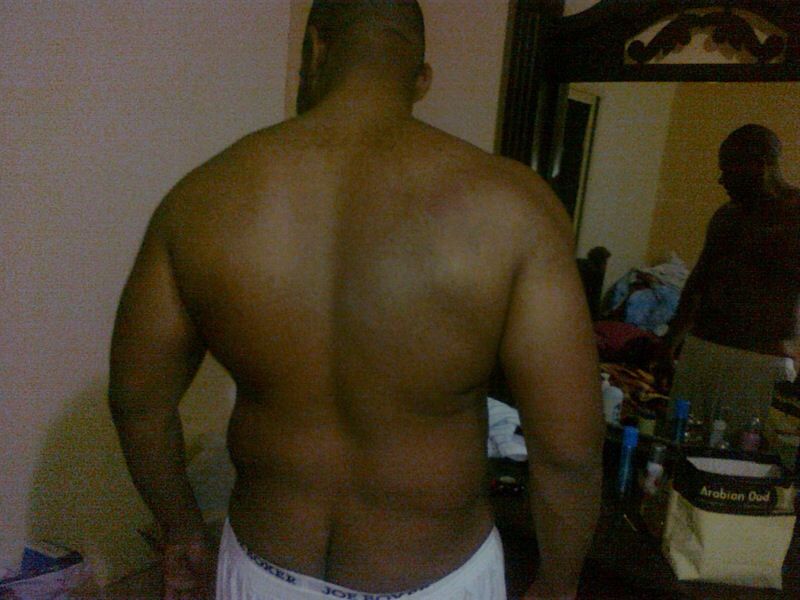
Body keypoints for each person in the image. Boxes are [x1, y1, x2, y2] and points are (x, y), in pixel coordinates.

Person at [108, 2, 603, 599]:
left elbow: (138, 404)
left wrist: (183, 532)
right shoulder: (516, 210)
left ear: (316, 50)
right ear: (421, 78)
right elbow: (568, 452)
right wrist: (558, 583)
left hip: (264, 571)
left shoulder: (199, 200)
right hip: (437, 582)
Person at [660, 124, 800, 439]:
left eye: (728, 169)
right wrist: (669, 344)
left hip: (760, 364)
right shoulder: (726, 216)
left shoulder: (796, 216)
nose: (721, 180)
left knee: (741, 458)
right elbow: (697, 284)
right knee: (679, 446)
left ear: (759, 165)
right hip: (702, 351)